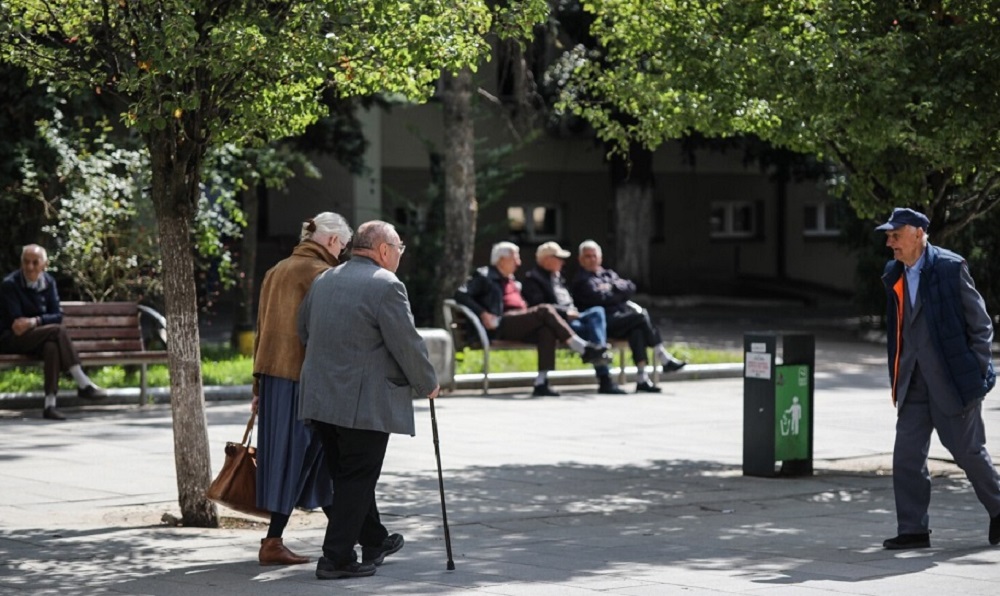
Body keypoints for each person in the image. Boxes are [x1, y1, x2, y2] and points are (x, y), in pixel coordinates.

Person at [297, 220, 439, 580]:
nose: (400, 258)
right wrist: (427, 383)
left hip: (321, 397)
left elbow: (304, 330)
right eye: (400, 250)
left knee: (349, 475)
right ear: (383, 250)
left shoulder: (325, 279)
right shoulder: (386, 285)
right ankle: (336, 558)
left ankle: (375, 539)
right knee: (357, 478)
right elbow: (405, 342)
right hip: (364, 401)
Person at [876, 207, 1000, 550]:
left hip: (952, 382)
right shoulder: (893, 273)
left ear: (918, 233)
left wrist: (975, 372)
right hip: (913, 380)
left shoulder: (950, 267)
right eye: (889, 236)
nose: (890, 243)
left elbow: (981, 325)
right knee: (906, 457)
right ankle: (913, 529)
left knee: (969, 453)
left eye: (895, 235)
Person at [251, 212, 351, 566]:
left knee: (310, 458)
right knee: (305, 457)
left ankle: (363, 534)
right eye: (343, 246)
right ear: (332, 241)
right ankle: (273, 540)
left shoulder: (276, 270)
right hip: (305, 378)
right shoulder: (322, 274)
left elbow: (261, 329)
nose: (342, 254)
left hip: (274, 376)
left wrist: (257, 384)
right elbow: (327, 333)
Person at [454, 241, 612, 397]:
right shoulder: (485, 275)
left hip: (518, 323)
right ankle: (582, 347)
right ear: (502, 260)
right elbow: (461, 294)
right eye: (515, 258)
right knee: (544, 310)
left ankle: (541, 382)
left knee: (546, 329)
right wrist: (483, 313)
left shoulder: (512, 281)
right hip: (500, 324)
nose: (519, 262)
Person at [0, 244, 107, 420]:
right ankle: (82, 382)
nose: (30, 267)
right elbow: (17, 326)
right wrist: (40, 321)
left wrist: (35, 321)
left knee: (51, 346)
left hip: (40, 338)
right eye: (26, 262)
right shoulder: (10, 285)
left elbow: (57, 315)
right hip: (10, 339)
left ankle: (50, 406)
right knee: (57, 331)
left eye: (35, 262)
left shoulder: (49, 282)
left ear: (45, 264)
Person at [571, 240, 686, 393]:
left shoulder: (608, 274)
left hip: (620, 319)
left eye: (594, 256)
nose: (592, 259)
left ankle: (642, 379)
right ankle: (662, 355)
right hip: (602, 324)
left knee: (637, 330)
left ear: (600, 258)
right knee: (640, 317)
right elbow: (599, 298)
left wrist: (611, 288)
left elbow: (630, 287)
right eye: (587, 256)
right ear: (580, 259)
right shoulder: (581, 280)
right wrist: (616, 292)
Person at [522, 241, 625, 394]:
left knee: (597, 312)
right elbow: (540, 308)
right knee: (592, 330)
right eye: (558, 258)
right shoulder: (533, 280)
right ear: (546, 259)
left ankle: (598, 351)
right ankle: (604, 376)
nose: (562, 262)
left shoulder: (557, 277)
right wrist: (565, 313)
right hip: (558, 324)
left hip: (574, 317)